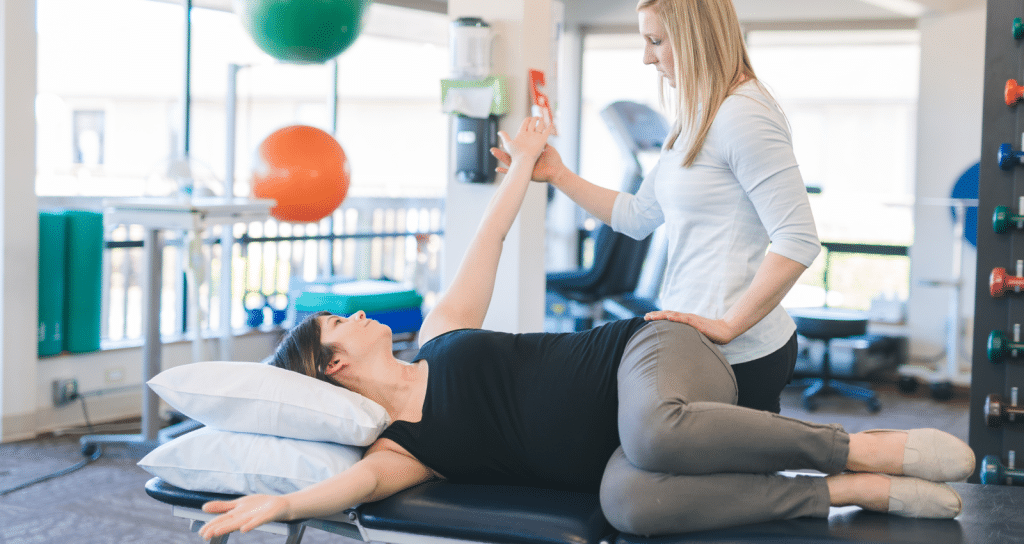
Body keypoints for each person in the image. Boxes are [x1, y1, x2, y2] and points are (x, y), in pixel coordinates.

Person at [196, 115, 972, 541]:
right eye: (342, 321)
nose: (362, 314)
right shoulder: (402, 450)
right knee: (633, 505)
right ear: (332, 365)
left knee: (654, 431)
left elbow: (490, 238)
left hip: (647, 353)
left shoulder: (439, 336)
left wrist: (528, 163)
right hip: (622, 454)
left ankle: (857, 448)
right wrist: (280, 504)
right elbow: (355, 486)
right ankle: (843, 490)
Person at [493, 0, 818, 414]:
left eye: (657, 41)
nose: (647, 58)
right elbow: (637, 216)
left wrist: (728, 325)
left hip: (739, 352)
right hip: (693, 340)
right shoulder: (696, 116)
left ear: (695, 36)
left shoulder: (744, 116)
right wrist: (558, 174)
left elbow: (798, 240)